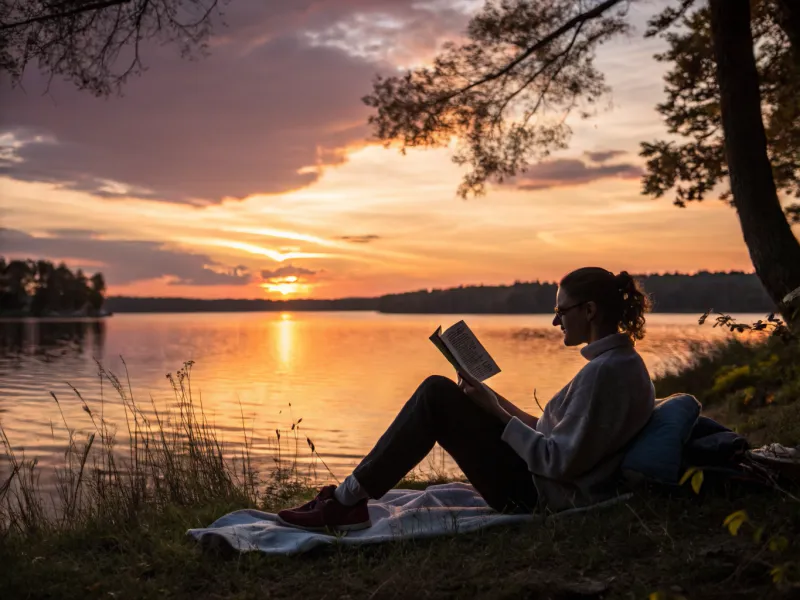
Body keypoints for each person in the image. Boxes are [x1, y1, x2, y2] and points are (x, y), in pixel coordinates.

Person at [277, 267, 656, 531]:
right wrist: (493, 400)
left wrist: (492, 411)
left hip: (536, 493)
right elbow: (547, 433)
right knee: (441, 393)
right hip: (539, 480)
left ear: (589, 310)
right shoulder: (619, 364)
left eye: (561, 311)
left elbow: (555, 461)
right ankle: (347, 499)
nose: (556, 322)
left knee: (435, 393)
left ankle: (345, 504)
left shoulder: (606, 373)